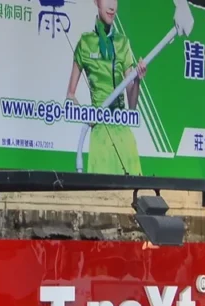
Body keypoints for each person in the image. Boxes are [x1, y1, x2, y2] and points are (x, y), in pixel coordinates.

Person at [66, 0, 146, 175]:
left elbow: (131, 108)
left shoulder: (122, 43)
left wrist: (138, 80)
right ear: (96, 2)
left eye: (115, 1)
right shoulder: (85, 43)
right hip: (100, 135)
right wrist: (88, 118)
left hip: (123, 132)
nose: (112, 6)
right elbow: (70, 96)